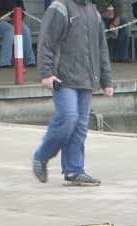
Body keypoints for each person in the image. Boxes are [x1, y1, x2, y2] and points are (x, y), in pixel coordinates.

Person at [32, 0, 114, 187]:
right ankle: (42, 156)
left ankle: (74, 170)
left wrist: (106, 80)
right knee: (68, 118)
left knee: (80, 126)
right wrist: (46, 73)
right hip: (63, 78)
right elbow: (47, 41)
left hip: (86, 79)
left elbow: (101, 49)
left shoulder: (93, 11)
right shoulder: (60, 7)